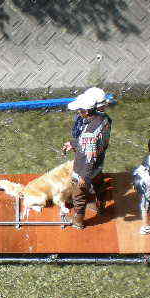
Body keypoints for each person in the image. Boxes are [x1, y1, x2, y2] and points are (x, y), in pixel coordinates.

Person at [62, 94, 112, 229]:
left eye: (80, 110)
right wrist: (74, 143)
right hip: (99, 163)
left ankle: (78, 221)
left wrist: (83, 176)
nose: (78, 112)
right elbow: (96, 144)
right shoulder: (104, 119)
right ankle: (101, 206)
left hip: (84, 169)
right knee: (99, 184)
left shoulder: (89, 133)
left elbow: (89, 157)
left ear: (85, 111)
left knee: (78, 196)